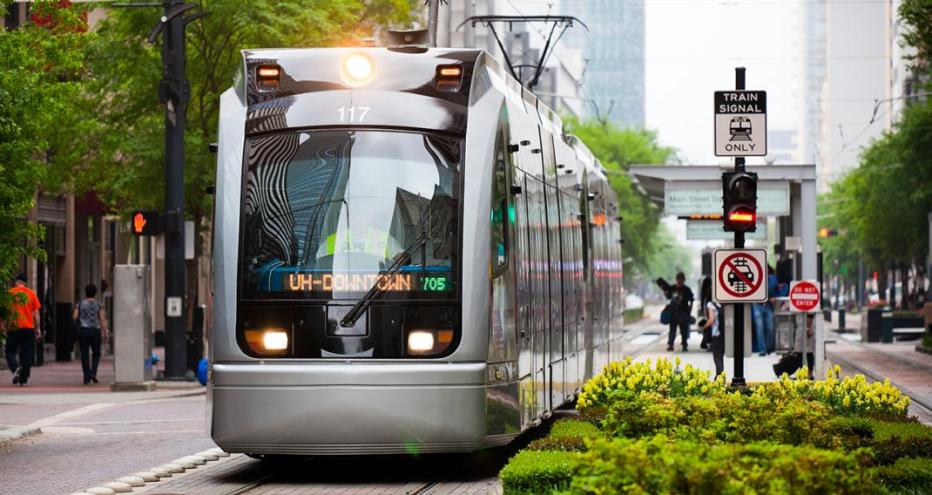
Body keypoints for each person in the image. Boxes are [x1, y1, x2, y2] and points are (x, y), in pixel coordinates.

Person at [5, 274, 41, 386]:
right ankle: (23, 379)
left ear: (17, 282)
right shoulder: (31, 294)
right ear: (25, 283)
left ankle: (15, 368)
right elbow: (36, 313)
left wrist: (3, 325)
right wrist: (37, 328)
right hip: (28, 327)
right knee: (27, 353)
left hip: (14, 326)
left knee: (10, 350)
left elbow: (4, 311)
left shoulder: (10, 293)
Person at [73, 283, 108, 385]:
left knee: (84, 354)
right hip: (95, 330)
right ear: (95, 293)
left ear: (86, 293)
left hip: (83, 330)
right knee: (96, 353)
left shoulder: (79, 304)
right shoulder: (99, 304)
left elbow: (75, 316)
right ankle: (93, 372)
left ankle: (86, 376)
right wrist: (105, 332)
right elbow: (102, 319)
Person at [700, 278, 725, 378]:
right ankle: (720, 376)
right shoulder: (720, 303)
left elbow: (711, 320)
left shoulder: (710, 304)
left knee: (717, 357)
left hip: (716, 334)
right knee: (721, 357)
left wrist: (704, 327)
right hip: (723, 333)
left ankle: (719, 377)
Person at [664, 272, 694, 352]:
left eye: (681, 280)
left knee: (684, 330)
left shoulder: (687, 290)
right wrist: (665, 291)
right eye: (678, 279)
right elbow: (668, 297)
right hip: (673, 313)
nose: (680, 281)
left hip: (683, 312)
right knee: (672, 330)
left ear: (684, 280)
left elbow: (691, 301)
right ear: (676, 280)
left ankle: (684, 344)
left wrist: (689, 312)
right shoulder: (672, 288)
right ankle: (671, 344)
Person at [752, 265, 778, 356]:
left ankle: (769, 348)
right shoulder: (754, 278)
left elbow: (776, 290)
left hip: (768, 305)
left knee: (770, 328)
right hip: (757, 304)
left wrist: (773, 297)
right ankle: (762, 350)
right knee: (760, 328)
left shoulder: (772, 279)